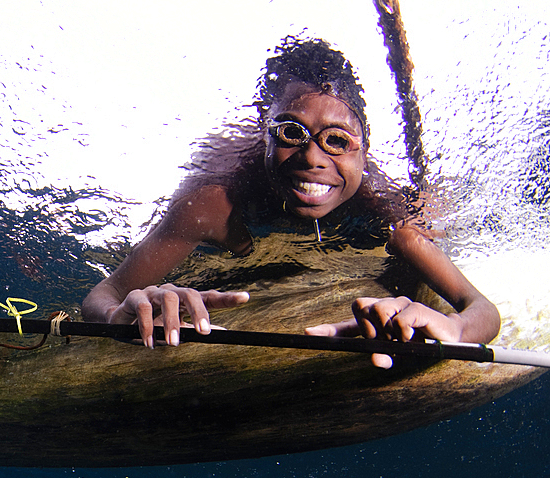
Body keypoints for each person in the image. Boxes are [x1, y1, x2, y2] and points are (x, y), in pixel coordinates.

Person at [81, 37, 500, 368]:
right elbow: (106, 292)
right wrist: (120, 313)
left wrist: (456, 327)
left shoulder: (392, 220)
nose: (313, 158)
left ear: (363, 151)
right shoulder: (213, 205)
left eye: (336, 141)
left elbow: (482, 310)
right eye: (291, 133)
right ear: (266, 134)